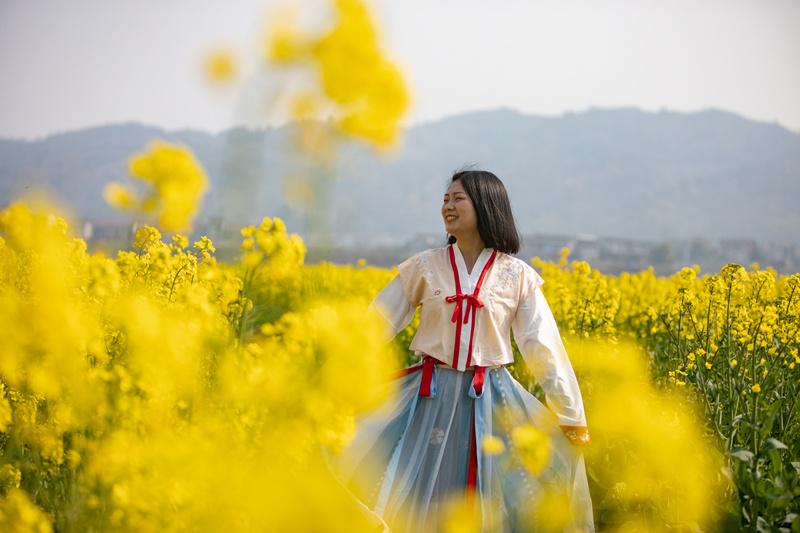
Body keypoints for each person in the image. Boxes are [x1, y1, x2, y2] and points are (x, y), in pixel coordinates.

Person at [332, 170, 594, 532]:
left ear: (486, 205)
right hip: (428, 398)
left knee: (499, 499)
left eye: (458, 198)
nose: (447, 206)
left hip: (491, 399)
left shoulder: (516, 276)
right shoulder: (424, 266)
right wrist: (333, 374)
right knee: (404, 490)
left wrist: (570, 413)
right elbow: (375, 324)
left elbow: (542, 346)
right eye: (445, 199)